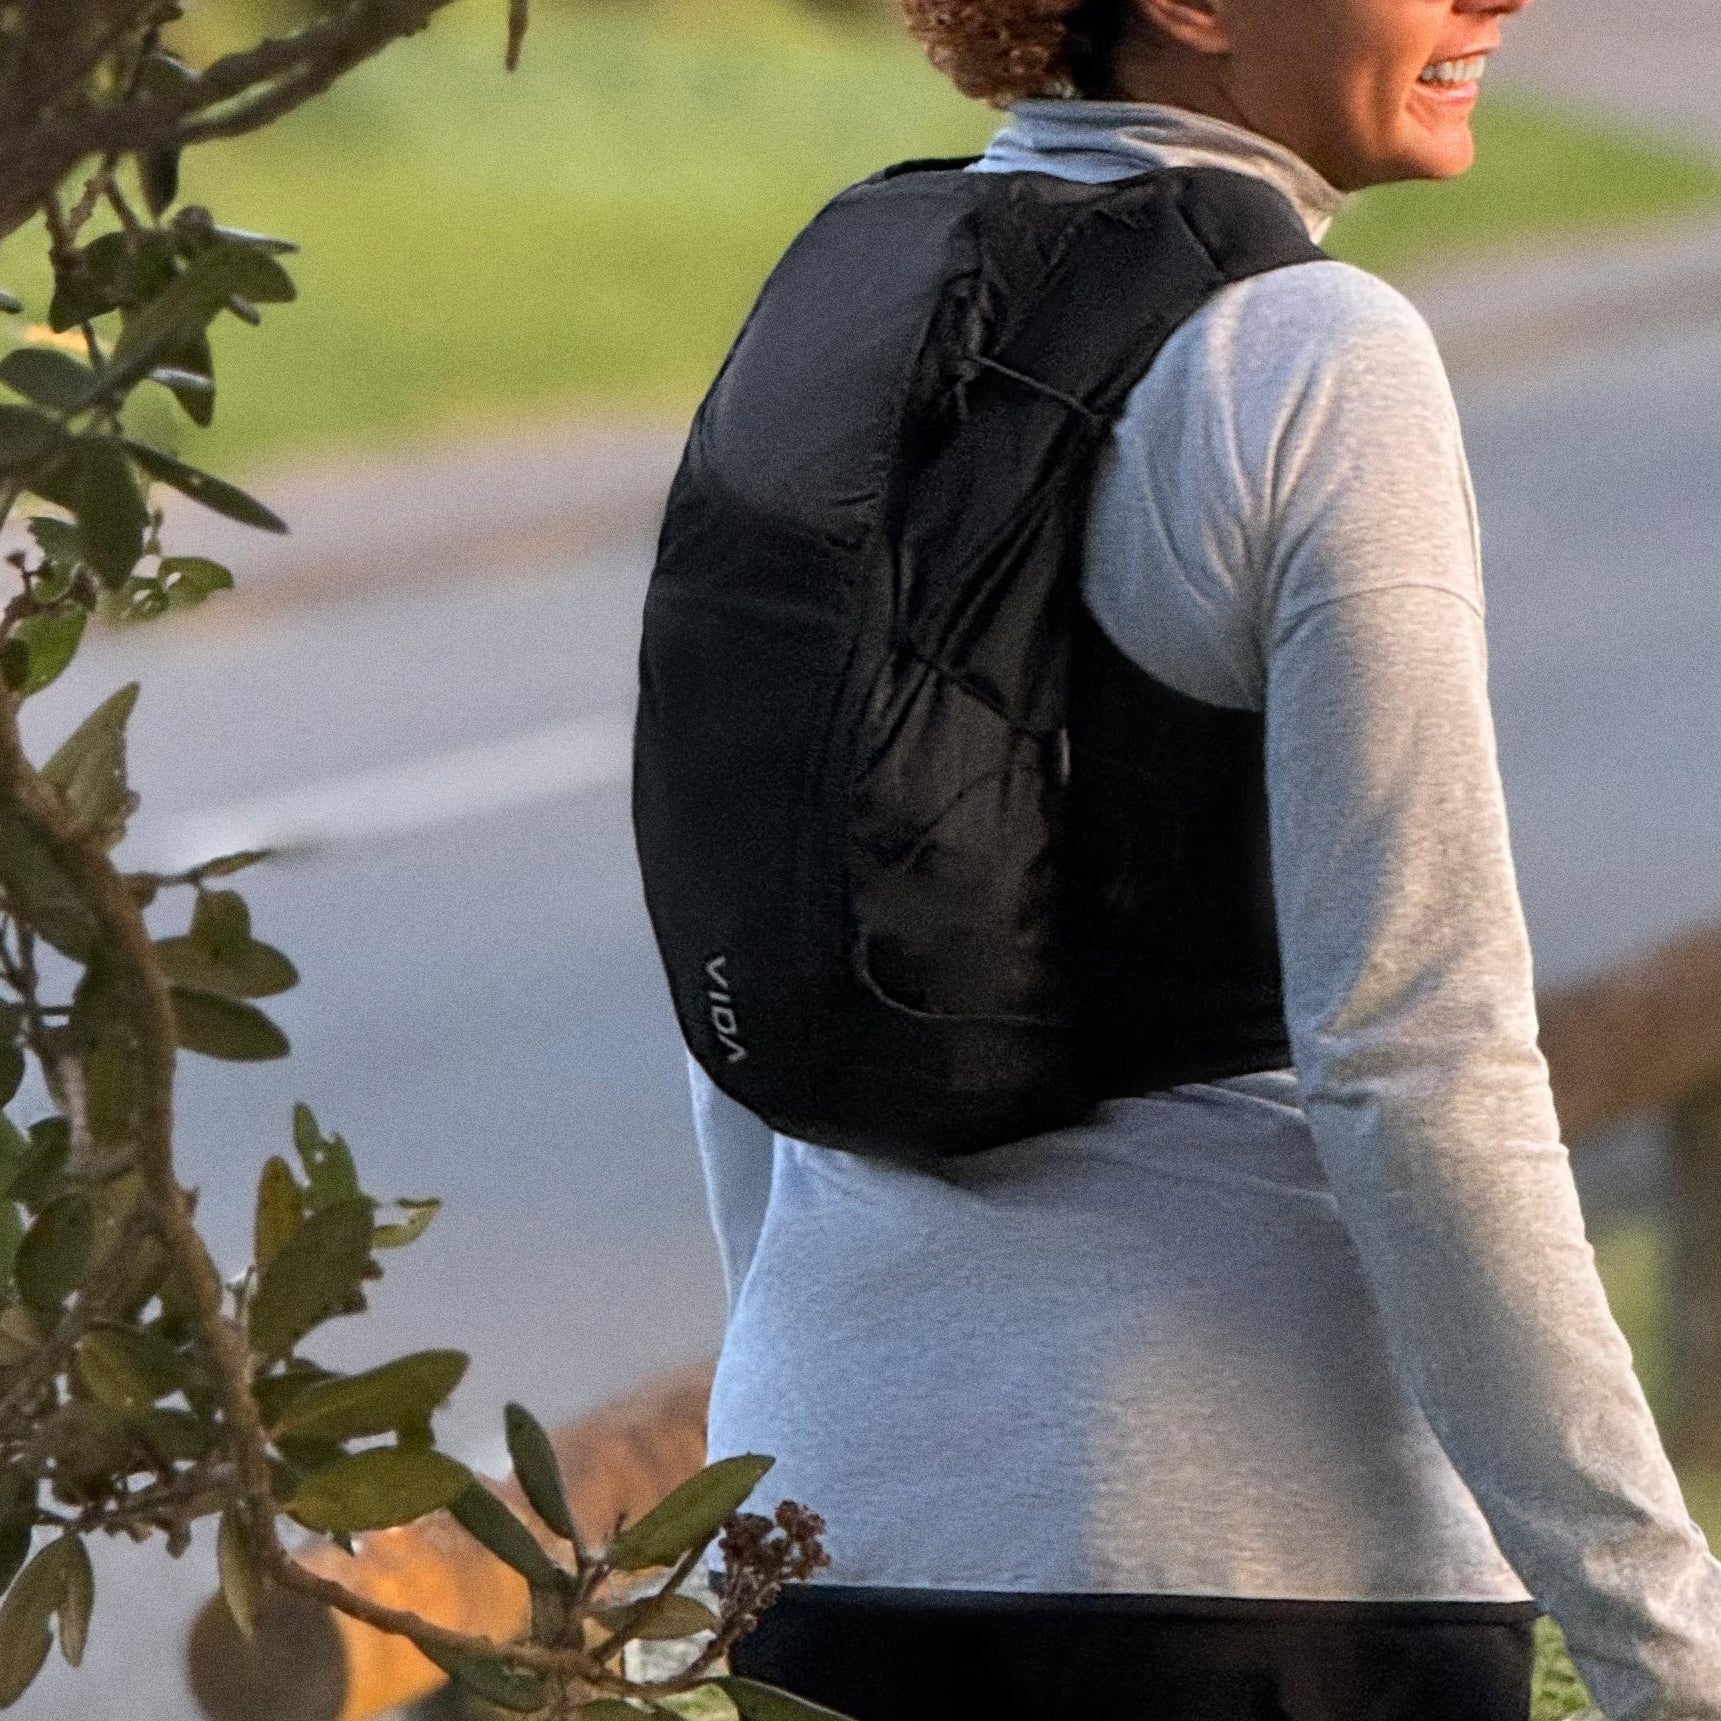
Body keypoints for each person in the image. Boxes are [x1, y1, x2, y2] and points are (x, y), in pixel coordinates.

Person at [684, 1, 1721, 1716]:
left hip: (831, 1540)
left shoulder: (824, 312)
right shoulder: (1314, 355)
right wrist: (1664, 1645)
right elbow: (1416, 1064)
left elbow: (746, 961)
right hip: (1257, 1573)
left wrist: (844, 1406)